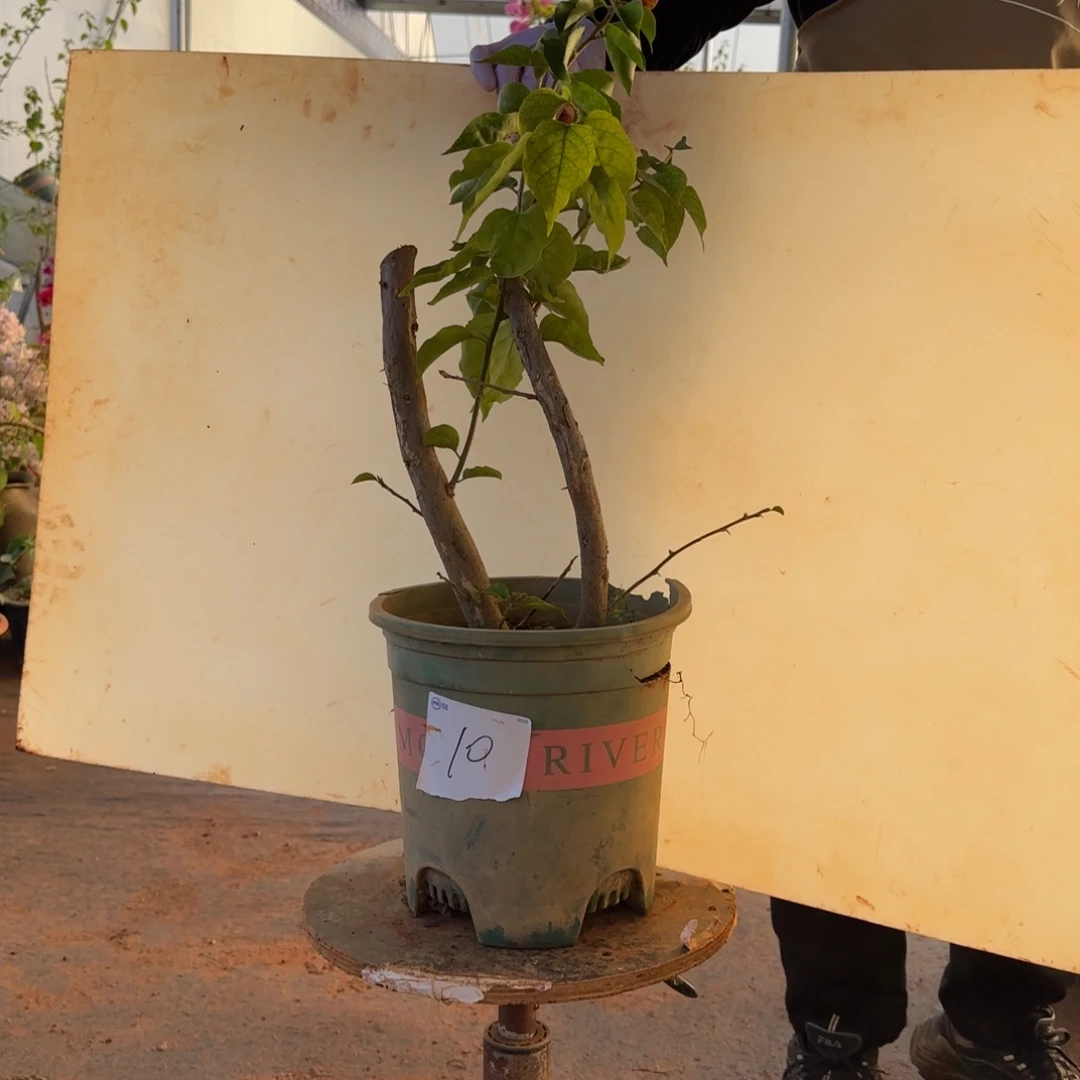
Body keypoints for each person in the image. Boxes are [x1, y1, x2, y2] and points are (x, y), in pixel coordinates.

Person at [468, 3, 1080, 1079]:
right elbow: (657, 12)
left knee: (1035, 684)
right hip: (843, 324)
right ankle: (836, 1028)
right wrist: (575, 44)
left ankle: (1003, 1013)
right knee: (836, 678)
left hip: (1044, 327)